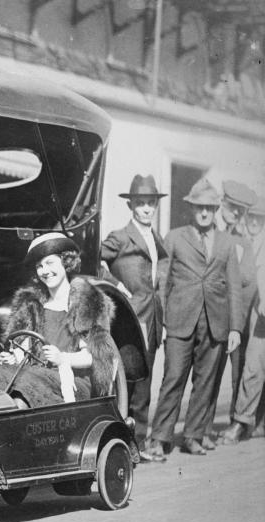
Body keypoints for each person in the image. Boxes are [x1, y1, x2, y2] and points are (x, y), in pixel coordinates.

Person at [150, 178, 242, 456]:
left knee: (205, 381)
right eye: (200, 207)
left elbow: (234, 287)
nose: (205, 213)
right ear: (191, 209)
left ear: (216, 210)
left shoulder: (227, 243)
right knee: (174, 377)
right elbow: (162, 282)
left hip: (216, 322)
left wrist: (235, 328)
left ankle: (193, 435)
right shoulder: (175, 237)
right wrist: (163, 321)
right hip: (179, 319)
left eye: (210, 208)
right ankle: (159, 437)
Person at [0, 232, 119, 408]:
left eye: (50, 263)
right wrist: (14, 358)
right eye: (39, 266)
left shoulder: (84, 302)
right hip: (36, 376)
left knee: (25, 385)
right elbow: (27, 346)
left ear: (66, 262)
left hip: (72, 381)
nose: (45, 271)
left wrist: (62, 358)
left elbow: (94, 357)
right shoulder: (34, 305)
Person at [100, 174, 168, 461]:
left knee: (144, 383)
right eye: (140, 203)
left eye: (150, 203)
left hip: (151, 321)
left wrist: (161, 322)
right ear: (131, 206)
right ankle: (119, 444)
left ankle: (137, 444)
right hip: (129, 322)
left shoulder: (156, 238)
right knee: (125, 382)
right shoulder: (120, 236)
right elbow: (93, 258)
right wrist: (115, 287)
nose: (146, 209)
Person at [205, 180, 259, 444]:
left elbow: (248, 280)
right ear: (221, 204)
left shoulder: (243, 242)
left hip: (239, 319)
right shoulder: (208, 232)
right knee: (209, 373)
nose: (234, 214)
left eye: (240, 210)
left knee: (239, 371)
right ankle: (202, 427)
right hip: (213, 315)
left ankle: (236, 425)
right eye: (231, 207)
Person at [219, 194, 265, 443]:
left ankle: (251, 422)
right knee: (252, 368)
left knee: (255, 368)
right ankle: (242, 421)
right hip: (252, 316)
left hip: (261, 315)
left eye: (261, 219)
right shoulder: (246, 241)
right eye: (253, 218)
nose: (255, 223)